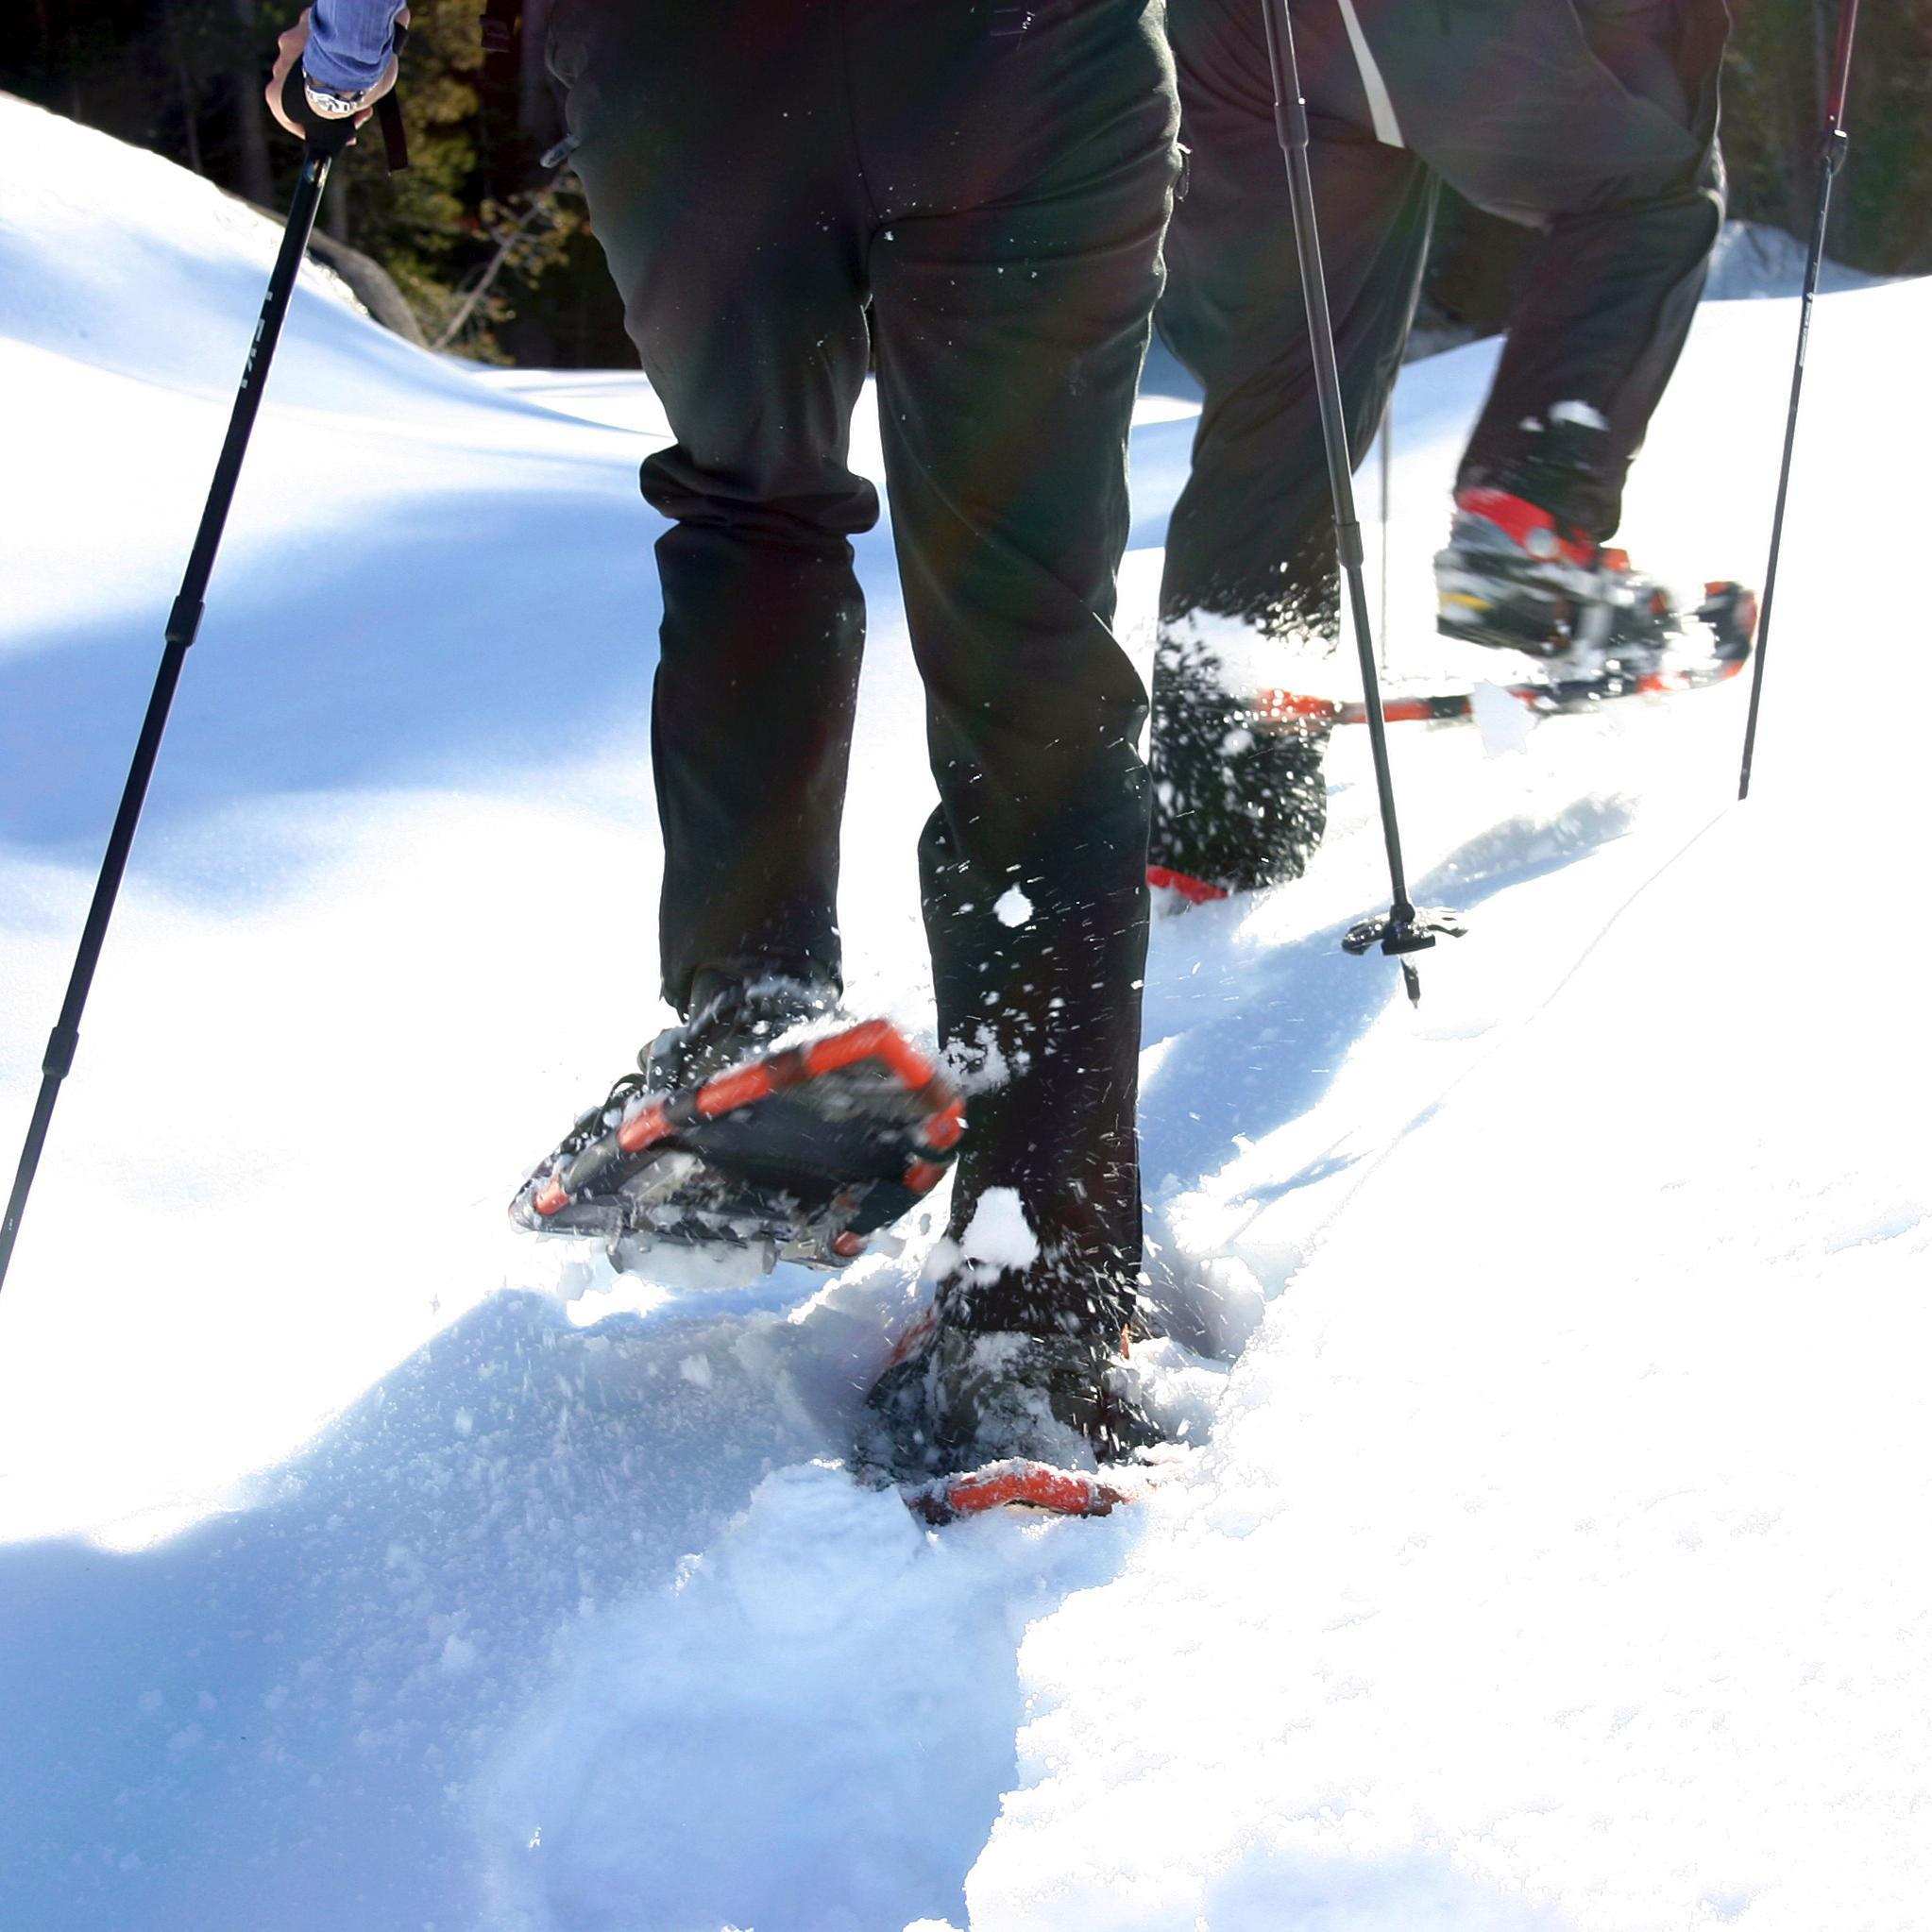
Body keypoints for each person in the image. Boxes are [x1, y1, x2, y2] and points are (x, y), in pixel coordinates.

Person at [268, 2, 1180, 1500]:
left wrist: (356, 41)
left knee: (751, 511)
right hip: (1021, 61)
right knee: (1027, 637)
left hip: (694, 65)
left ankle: (746, 993)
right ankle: (1040, 1308)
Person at [1146, 0, 1730, 898]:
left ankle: (1223, 796)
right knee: (1648, 189)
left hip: (1232, 36)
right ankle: (1529, 538)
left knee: (1294, 375)